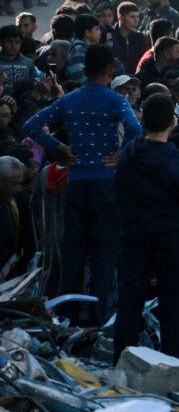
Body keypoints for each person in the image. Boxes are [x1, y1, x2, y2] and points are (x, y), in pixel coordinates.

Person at [23, 44, 143, 324]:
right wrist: (120, 155)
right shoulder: (115, 101)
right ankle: (99, 321)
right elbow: (136, 130)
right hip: (106, 185)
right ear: (111, 70)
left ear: (85, 69)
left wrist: (58, 147)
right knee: (104, 254)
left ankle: (68, 319)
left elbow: (31, 125)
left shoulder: (70, 100)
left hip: (76, 184)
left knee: (74, 253)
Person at [113, 93, 179, 360]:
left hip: (134, 234)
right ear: (172, 122)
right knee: (172, 302)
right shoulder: (178, 161)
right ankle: (171, 361)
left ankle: (123, 358)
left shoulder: (129, 154)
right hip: (170, 236)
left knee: (130, 300)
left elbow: (120, 193)